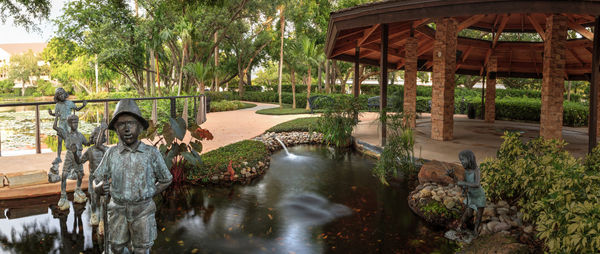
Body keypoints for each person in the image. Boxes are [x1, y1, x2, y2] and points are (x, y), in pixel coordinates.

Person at [93, 99, 172, 253]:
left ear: (140, 127)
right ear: (116, 128)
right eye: (122, 124)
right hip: (117, 209)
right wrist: (99, 188)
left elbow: (166, 179)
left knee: (142, 249)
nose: (127, 128)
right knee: (115, 247)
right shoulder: (111, 154)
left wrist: (149, 192)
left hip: (143, 210)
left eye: (131, 123)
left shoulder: (151, 153)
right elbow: (96, 180)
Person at [71, 124, 108, 226]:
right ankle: (94, 215)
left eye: (100, 137)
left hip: (104, 178)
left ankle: (103, 218)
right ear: (92, 139)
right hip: (93, 177)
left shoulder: (107, 150)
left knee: (104, 199)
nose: (98, 140)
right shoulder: (90, 151)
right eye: (95, 137)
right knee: (93, 198)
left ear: (103, 138)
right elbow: (80, 161)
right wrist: (74, 154)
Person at [53, 113, 89, 211]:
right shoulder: (66, 134)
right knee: (64, 175)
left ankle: (78, 188)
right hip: (69, 156)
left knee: (80, 175)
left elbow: (87, 143)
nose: (75, 124)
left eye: (76, 122)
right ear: (69, 124)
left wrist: (97, 136)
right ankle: (63, 195)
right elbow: (55, 127)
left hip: (78, 155)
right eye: (73, 122)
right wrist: (56, 117)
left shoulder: (80, 136)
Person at [48, 87, 87, 161]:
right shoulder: (57, 105)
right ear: (57, 97)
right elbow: (56, 115)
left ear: (65, 94)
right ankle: (58, 156)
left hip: (69, 123)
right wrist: (51, 114)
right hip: (62, 123)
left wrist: (83, 105)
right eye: (59, 95)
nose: (61, 96)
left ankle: (74, 154)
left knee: (72, 139)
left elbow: (77, 109)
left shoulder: (70, 103)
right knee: (60, 140)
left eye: (62, 94)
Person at [456, 150, 486, 235]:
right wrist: (463, 190)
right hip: (471, 195)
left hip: (479, 195)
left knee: (479, 215)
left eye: (463, 160)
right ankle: (460, 225)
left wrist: (463, 183)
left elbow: (477, 184)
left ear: (469, 159)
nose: (461, 162)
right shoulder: (465, 171)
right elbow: (465, 183)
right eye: (460, 160)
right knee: (468, 213)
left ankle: (475, 230)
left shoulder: (476, 170)